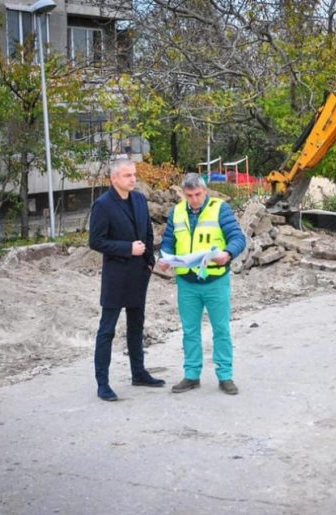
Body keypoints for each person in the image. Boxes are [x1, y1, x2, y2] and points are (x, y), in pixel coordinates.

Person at [159, 173, 246, 395]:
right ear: (183, 194)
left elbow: (237, 237)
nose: (194, 199)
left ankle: (225, 376)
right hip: (187, 281)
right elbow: (169, 240)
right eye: (189, 195)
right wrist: (165, 257)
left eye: (198, 194)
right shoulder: (177, 212)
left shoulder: (220, 209)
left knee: (221, 329)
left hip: (215, 280)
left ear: (205, 191)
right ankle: (191, 375)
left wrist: (227, 253)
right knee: (190, 331)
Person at [89, 158, 164, 401]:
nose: (133, 179)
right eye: (127, 175)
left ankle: (139, 372)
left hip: (139, 274)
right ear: (114, 179)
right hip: (116, 275)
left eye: (134, 174)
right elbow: (96, 241)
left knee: (136, 326)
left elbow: (148, 232)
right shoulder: (103, 205)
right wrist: (126, 248)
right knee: (107, 330)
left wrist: (150, 260)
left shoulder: (140, 199)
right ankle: (103, 383)